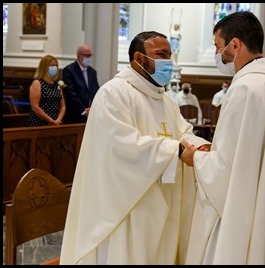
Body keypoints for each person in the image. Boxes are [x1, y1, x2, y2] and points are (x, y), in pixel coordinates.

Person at [59, 31, 211, 265]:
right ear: (139, 59)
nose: (168, 62)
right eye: (161, 55)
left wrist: (200, 147)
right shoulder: (114, 94)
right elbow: (120, 145)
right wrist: (175, 151)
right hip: (128, 207)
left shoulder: (165, 100)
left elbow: (183, 132)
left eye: (169, 55)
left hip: (162, 203)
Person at [179, 11, 265, 264]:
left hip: (245, 211)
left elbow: (226, 169)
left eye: (218, 47)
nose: (218, 55)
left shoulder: (245, 88)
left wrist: (195, 158)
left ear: (234, 45)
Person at [62, 44, 100, 123]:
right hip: (74, 114)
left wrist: (92, 109)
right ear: (79, 56)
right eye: (87, 55)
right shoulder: (69, 70)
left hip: (90, 114)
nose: (89, 58)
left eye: (90, 55)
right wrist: (83, 110)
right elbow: (70, 93)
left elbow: (96, 91)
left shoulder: (92, 72)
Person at [26, 54, 66, 126]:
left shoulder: (57, 84)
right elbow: (35, 107)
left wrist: (58, 120)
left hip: (56, 122)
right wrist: (51, 121)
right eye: (52, 65)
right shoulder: (37, 83)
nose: (54, 68)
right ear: (44, 67)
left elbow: (63, 106)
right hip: (40, 123)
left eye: (56, 65)